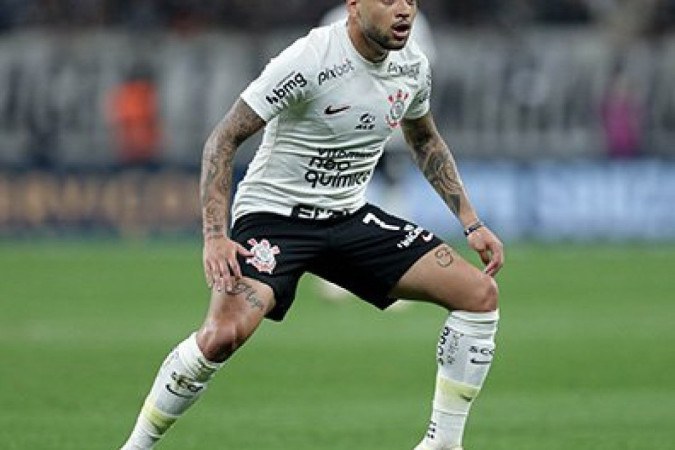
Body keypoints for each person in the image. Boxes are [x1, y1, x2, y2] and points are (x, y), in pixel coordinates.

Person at [119, 1, 504, 449]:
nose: (403, 11)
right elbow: (223, 140)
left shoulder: (412, 65)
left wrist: (471, 222)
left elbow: (424, 139)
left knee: (479, 295)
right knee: (222, 336)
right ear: (355, 6)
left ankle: (443, 444)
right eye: (389, 0)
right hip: (274, 217)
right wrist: (214, 236)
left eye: (411, 0)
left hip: (348, 215)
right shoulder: (309, 59)